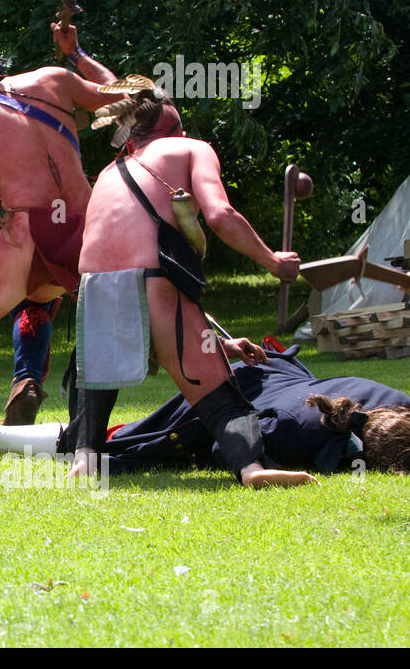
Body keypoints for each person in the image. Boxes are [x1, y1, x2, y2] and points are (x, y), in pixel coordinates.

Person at [60, 85, 314, 488]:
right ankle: (252, 468)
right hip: (157, 284)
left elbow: (121, 266)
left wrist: (217, 340)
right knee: (219, 397)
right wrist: (273, 261)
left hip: (94, 291)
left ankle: (84, 459)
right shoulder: (191, 148)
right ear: (177, 131)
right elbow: (220, 213)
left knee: (97, 378)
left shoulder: (110, 172)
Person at [0, 23, 118, 444]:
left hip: (27, 230)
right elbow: (126, 96)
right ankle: (25, 380)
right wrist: (76, 52)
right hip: (88, 223)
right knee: (35, 301)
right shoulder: (54, 77)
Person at [0, 344, 410, 476]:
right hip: (238, 398)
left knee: (127, 433)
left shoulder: (394, 400)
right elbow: (229, 448)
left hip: (265, 373)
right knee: (126, 443)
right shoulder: (312, 431)